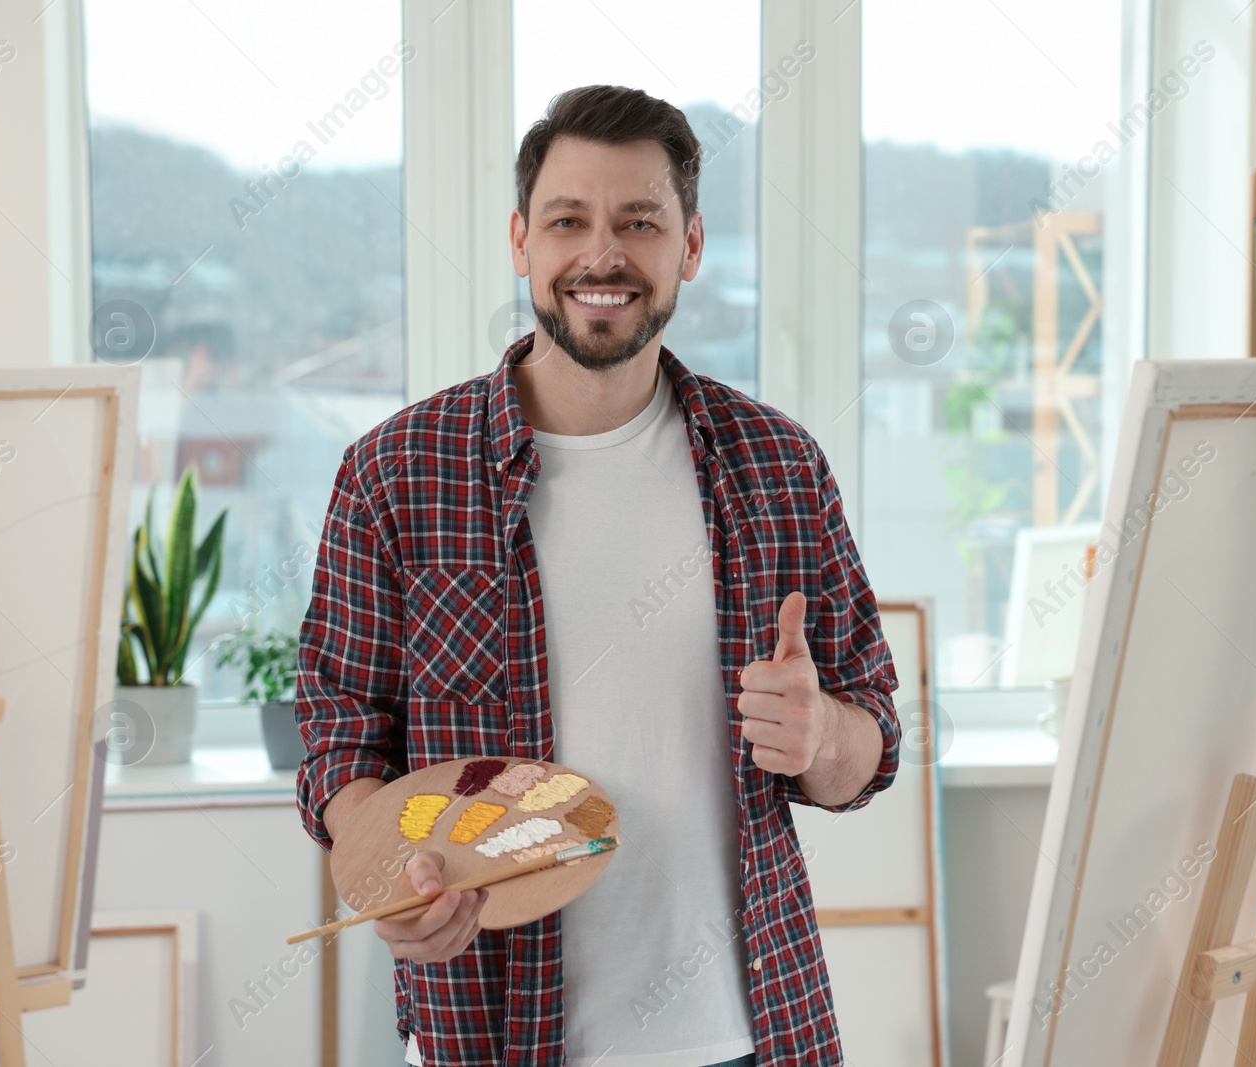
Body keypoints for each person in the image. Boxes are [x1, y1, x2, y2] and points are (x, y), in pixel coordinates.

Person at [295, 83, 901, 1067]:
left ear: (690, 246)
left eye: (639, 222)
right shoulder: (397, 471)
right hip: (488, 1029)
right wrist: (387, 879)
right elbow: (339, 732)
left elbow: (867, 745)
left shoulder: (779, 466)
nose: (601, 254)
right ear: (520, 240)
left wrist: (823, 730)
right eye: (568, 219)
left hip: (746, 1032)